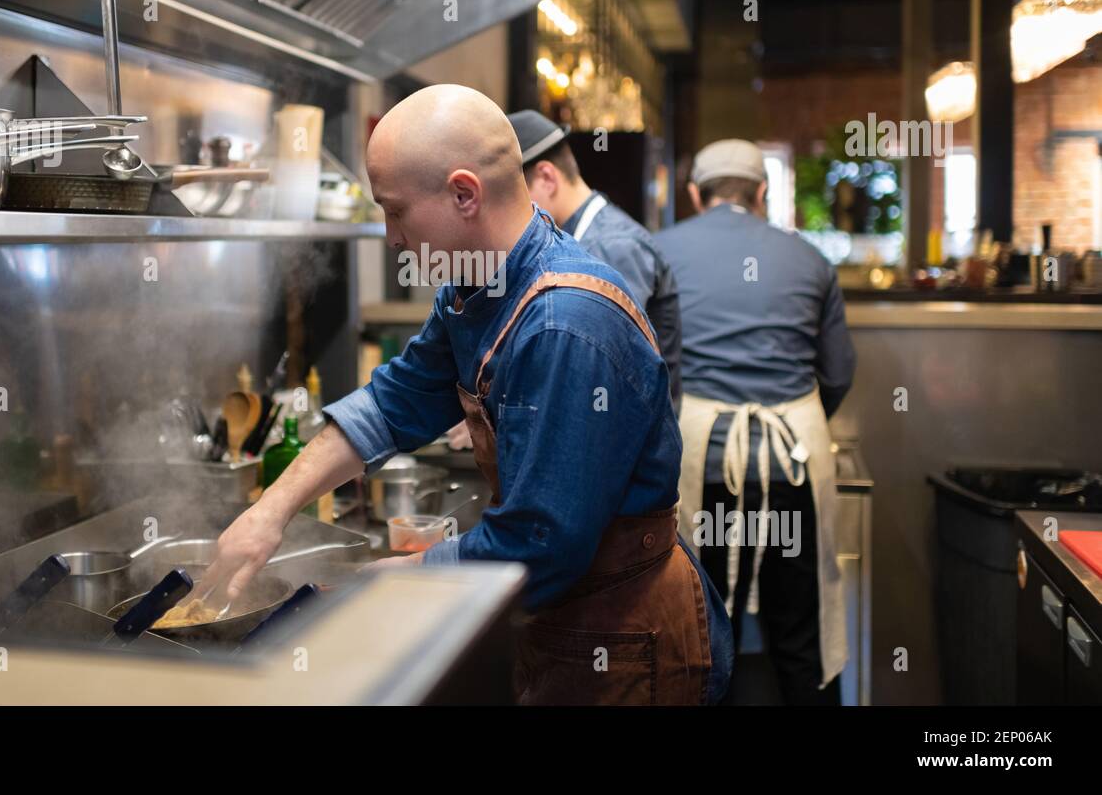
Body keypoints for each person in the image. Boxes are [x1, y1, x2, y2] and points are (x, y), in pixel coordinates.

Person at [199, 84, 731, 705]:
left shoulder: (565, 323)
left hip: (628, 641)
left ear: (463, 194)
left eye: (395, 210)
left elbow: (541, 545)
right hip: (562, 626)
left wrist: (393, 579)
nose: (392, 238)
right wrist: (270, 511)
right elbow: (393, 402)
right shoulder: (472, 288)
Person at [655, 138, 855, 705]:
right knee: (798, 634)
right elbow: (838, 373)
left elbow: (644, 365)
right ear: (762, 192)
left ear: (696, 195)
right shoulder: (810, 257)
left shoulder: (658, 250)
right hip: (792, 468)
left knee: (697, 634)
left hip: (699, 469)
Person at [509, 110, 682, 410]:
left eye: (511, 196)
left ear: (547, 178)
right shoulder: (580, 237)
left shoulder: (611, 246)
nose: (508, 212)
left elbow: (598, 366)